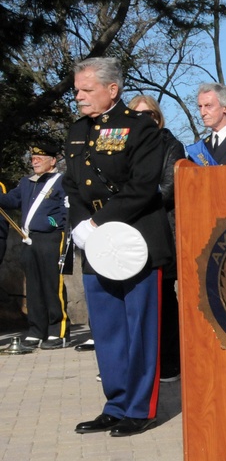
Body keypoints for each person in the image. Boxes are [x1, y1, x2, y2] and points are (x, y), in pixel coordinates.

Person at [64, 57, 173, 437]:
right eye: (76, 89)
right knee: (107, 328)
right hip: (94, 243)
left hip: (134, 240)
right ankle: (115, 404)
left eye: (86, 89)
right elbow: (72, 184)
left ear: (112, 90)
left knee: (139, 328)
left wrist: (97, 221)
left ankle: (140, 409)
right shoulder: (77, 130)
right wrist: (80, 223)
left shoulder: (141, 128)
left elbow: (143, 186)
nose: (78, 96)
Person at [128, 95, 184, 382]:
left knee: (163, 301)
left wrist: (128, 203)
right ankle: (138, 364)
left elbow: (168, 189)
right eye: (136, 115)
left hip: (161, 231)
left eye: (148, 114)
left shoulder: (171, 145)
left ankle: (170, 362)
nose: (143, 119)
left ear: (158, 117)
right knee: (134, 303)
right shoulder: (125, 148)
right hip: (128, 234)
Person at [0, 141, 72, 349]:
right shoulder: (26, 183)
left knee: (52, 286)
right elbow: (10, 201)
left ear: (52, 160)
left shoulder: (61, 181)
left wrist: (51, 224)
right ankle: (36, 329)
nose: (35, 161)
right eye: (32, 158)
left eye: (40, 158)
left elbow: (66, 212)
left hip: (51, 239)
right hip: (29, 240)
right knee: (33, 287)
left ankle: (57, 331)